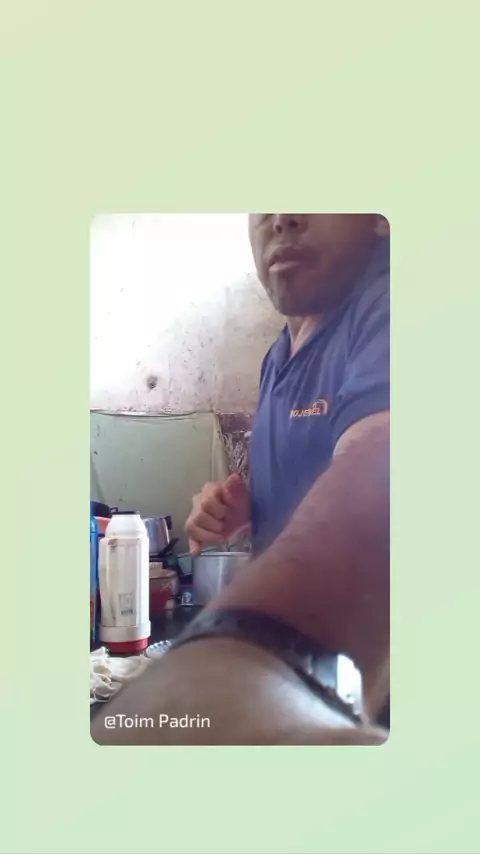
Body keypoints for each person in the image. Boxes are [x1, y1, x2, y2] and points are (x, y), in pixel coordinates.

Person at [91, 214, 390, 746]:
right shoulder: (279, 355)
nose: (283, 216)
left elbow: (384, 469)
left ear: (379, 218)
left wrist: (238, 648)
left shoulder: (390, 303)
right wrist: (245, 505)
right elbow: (317, 473)